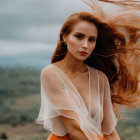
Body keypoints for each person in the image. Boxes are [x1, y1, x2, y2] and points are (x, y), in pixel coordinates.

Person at [36, 0, 140, 140]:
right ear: (65, 37)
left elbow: (109, 131)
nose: (85, 45)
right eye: (79, 36)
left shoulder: (100, 77)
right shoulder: (51, 73)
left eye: (91, 40)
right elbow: (74, 129)